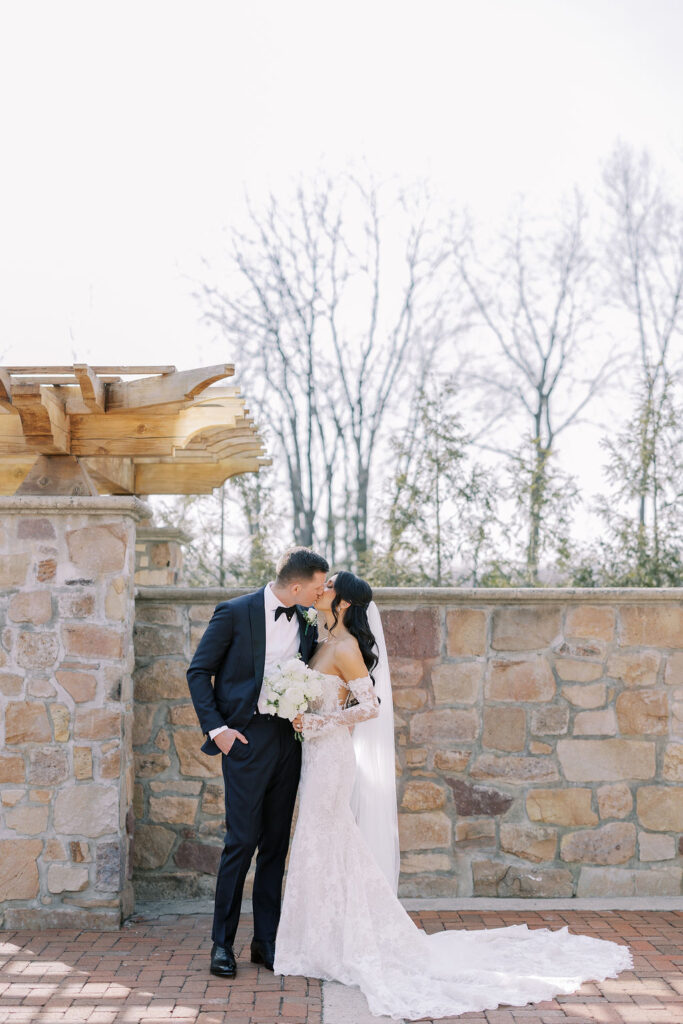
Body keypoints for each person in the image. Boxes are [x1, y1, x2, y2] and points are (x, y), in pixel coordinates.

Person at [275, 571, 633, 1021]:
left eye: (329, 588)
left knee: (327, 839)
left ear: (344, 603)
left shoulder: (345, 648)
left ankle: (343, 940)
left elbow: (369, 707)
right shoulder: (323, 638)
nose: (321, 590)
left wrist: (321, 722)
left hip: (331, 758)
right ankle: (321, 938)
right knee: (320, 842)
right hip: (315, 756)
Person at [186, 546, 329, 979]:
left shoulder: (307, 620)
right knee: (241, 842)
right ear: (298, 585)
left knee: (276, 846)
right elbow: (199, 672)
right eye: (319, 586)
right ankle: (221, 944)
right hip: (245, 741)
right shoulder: (234, 612)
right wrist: (219, 732)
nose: (322, 593)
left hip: (289, 740)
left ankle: (266, 943)